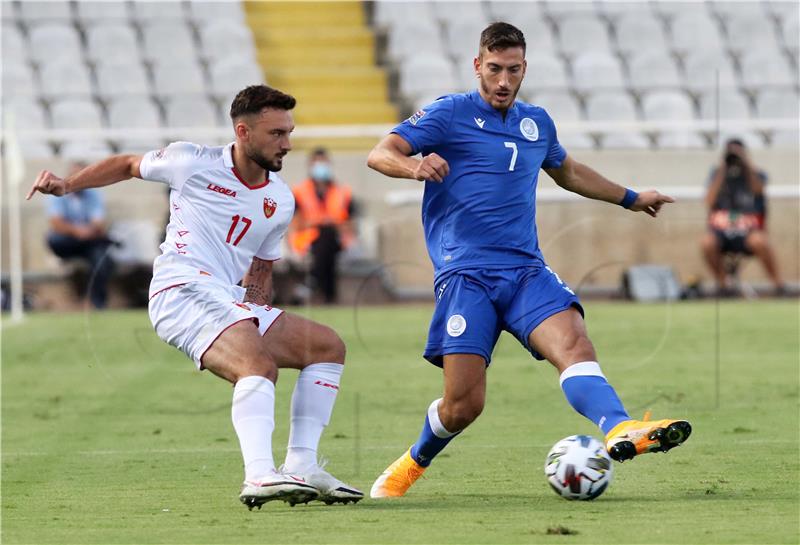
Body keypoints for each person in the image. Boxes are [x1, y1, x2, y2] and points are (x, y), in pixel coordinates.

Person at [365, 22, 692, 499]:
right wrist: (414, 165)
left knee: (576, 345)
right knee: (462, 406)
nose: (502, 81)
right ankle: (413, 462)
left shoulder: (536, 122)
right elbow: (381, 152)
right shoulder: (449, 113)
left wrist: (631, 197)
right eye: (494, 69)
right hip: (465, 278)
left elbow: (569, 172)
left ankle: (620, 428)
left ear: (524, 70)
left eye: (512, 70)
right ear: (478, 65)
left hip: (525, 271)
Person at [27, 85, 363, 509]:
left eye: (289, 132)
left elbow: (261, 271)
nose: (288, 144)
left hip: (226, 297)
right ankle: (259, 474)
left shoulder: (279, 199)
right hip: (179, 288)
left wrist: (256, 310)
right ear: (243, 132)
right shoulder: (192, 162)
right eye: (276, 133)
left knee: (327, 346)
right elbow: (129, 164)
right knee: (256, 365)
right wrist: (67, 184)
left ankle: (301, 465)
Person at [701, 138, 785, 295]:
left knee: (759, 241)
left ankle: (778, 285)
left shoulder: (756, 173)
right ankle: (724, 285)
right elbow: (708, 200)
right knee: (707, 243)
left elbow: (759, 190)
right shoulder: (717, 174)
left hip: (748, 232)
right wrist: (723, 168)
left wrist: (745, 163)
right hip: (721, 232)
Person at [289, 148, 355, 303]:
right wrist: (321, 222)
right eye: (317, 163)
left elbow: (350, 226)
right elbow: (296, 224)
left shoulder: (343, 192)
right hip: (307, 241)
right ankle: (328, 294)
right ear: (310, 166)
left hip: (337, 241)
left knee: (327, 237)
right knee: (325, 239)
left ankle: (313, 281)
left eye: (324, 162)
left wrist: (332, 224)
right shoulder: (299, 191)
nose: (321, 166)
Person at [45, 161, 115, 309]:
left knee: (102, 260)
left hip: (89, 243)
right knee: (54, 238)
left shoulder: (94, 195)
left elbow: (98, 223)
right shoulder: (57, 193)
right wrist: (77, 231)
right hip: (67, 242)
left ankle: (97, 304)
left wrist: (88, 232)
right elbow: (56, 223)